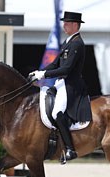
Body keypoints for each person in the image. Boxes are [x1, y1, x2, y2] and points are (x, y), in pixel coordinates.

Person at [29, 11, 92, 163]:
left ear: (76, 25)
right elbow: (56, 63)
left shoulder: (77, 43)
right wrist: (41, 71)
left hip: (71, 85)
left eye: (68, 23)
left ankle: (70, 149)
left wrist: (44, 75)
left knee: (57, 113)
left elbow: (66, 69)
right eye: (64, 23)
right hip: (61, 83)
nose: (65, 25)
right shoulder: (68, 42)